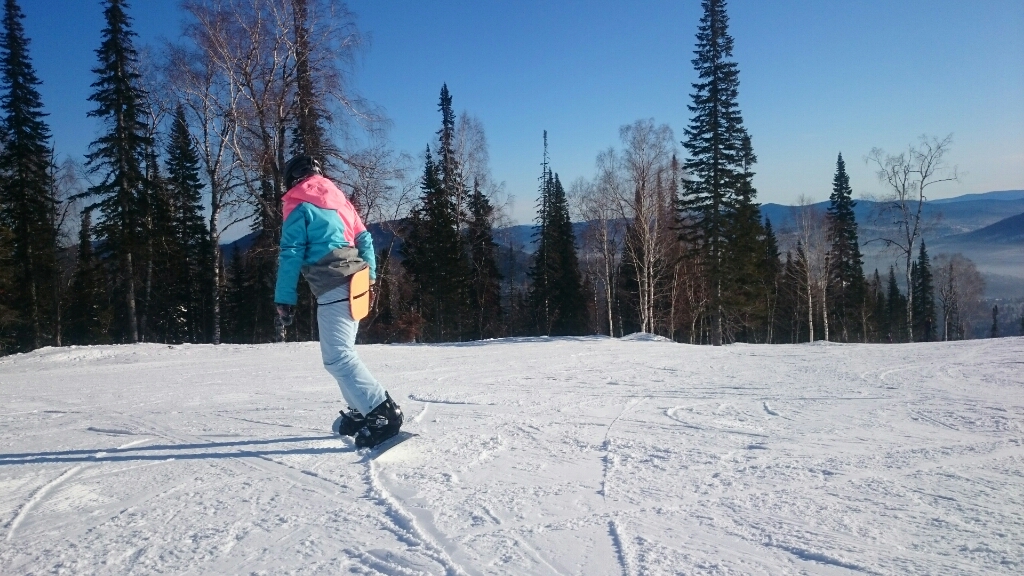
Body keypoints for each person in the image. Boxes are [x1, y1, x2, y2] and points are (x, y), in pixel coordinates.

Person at [274, 155, 403, 448]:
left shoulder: (297, 202)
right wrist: (369, 279)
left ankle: (383, 413)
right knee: (341, 354)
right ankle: (360, 411)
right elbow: (365, 239)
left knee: (338, 357)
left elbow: (291, 252)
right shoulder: (341, 200)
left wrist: (284, 297)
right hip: (356, 279)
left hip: (333, 282)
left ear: (292, 178)